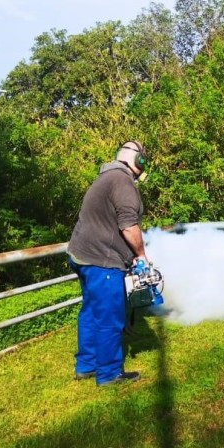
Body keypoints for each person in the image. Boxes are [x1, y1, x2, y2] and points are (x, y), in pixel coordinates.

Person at [66, 141, 151, 386]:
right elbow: (129, 225)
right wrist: (141, 255)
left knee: (91, 311)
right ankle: (109, 373)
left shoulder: (106, 177)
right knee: (110, 317)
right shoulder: (122, 181)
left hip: (83, 256)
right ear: (138, 161)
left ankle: (87, 365)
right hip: (102, 261)